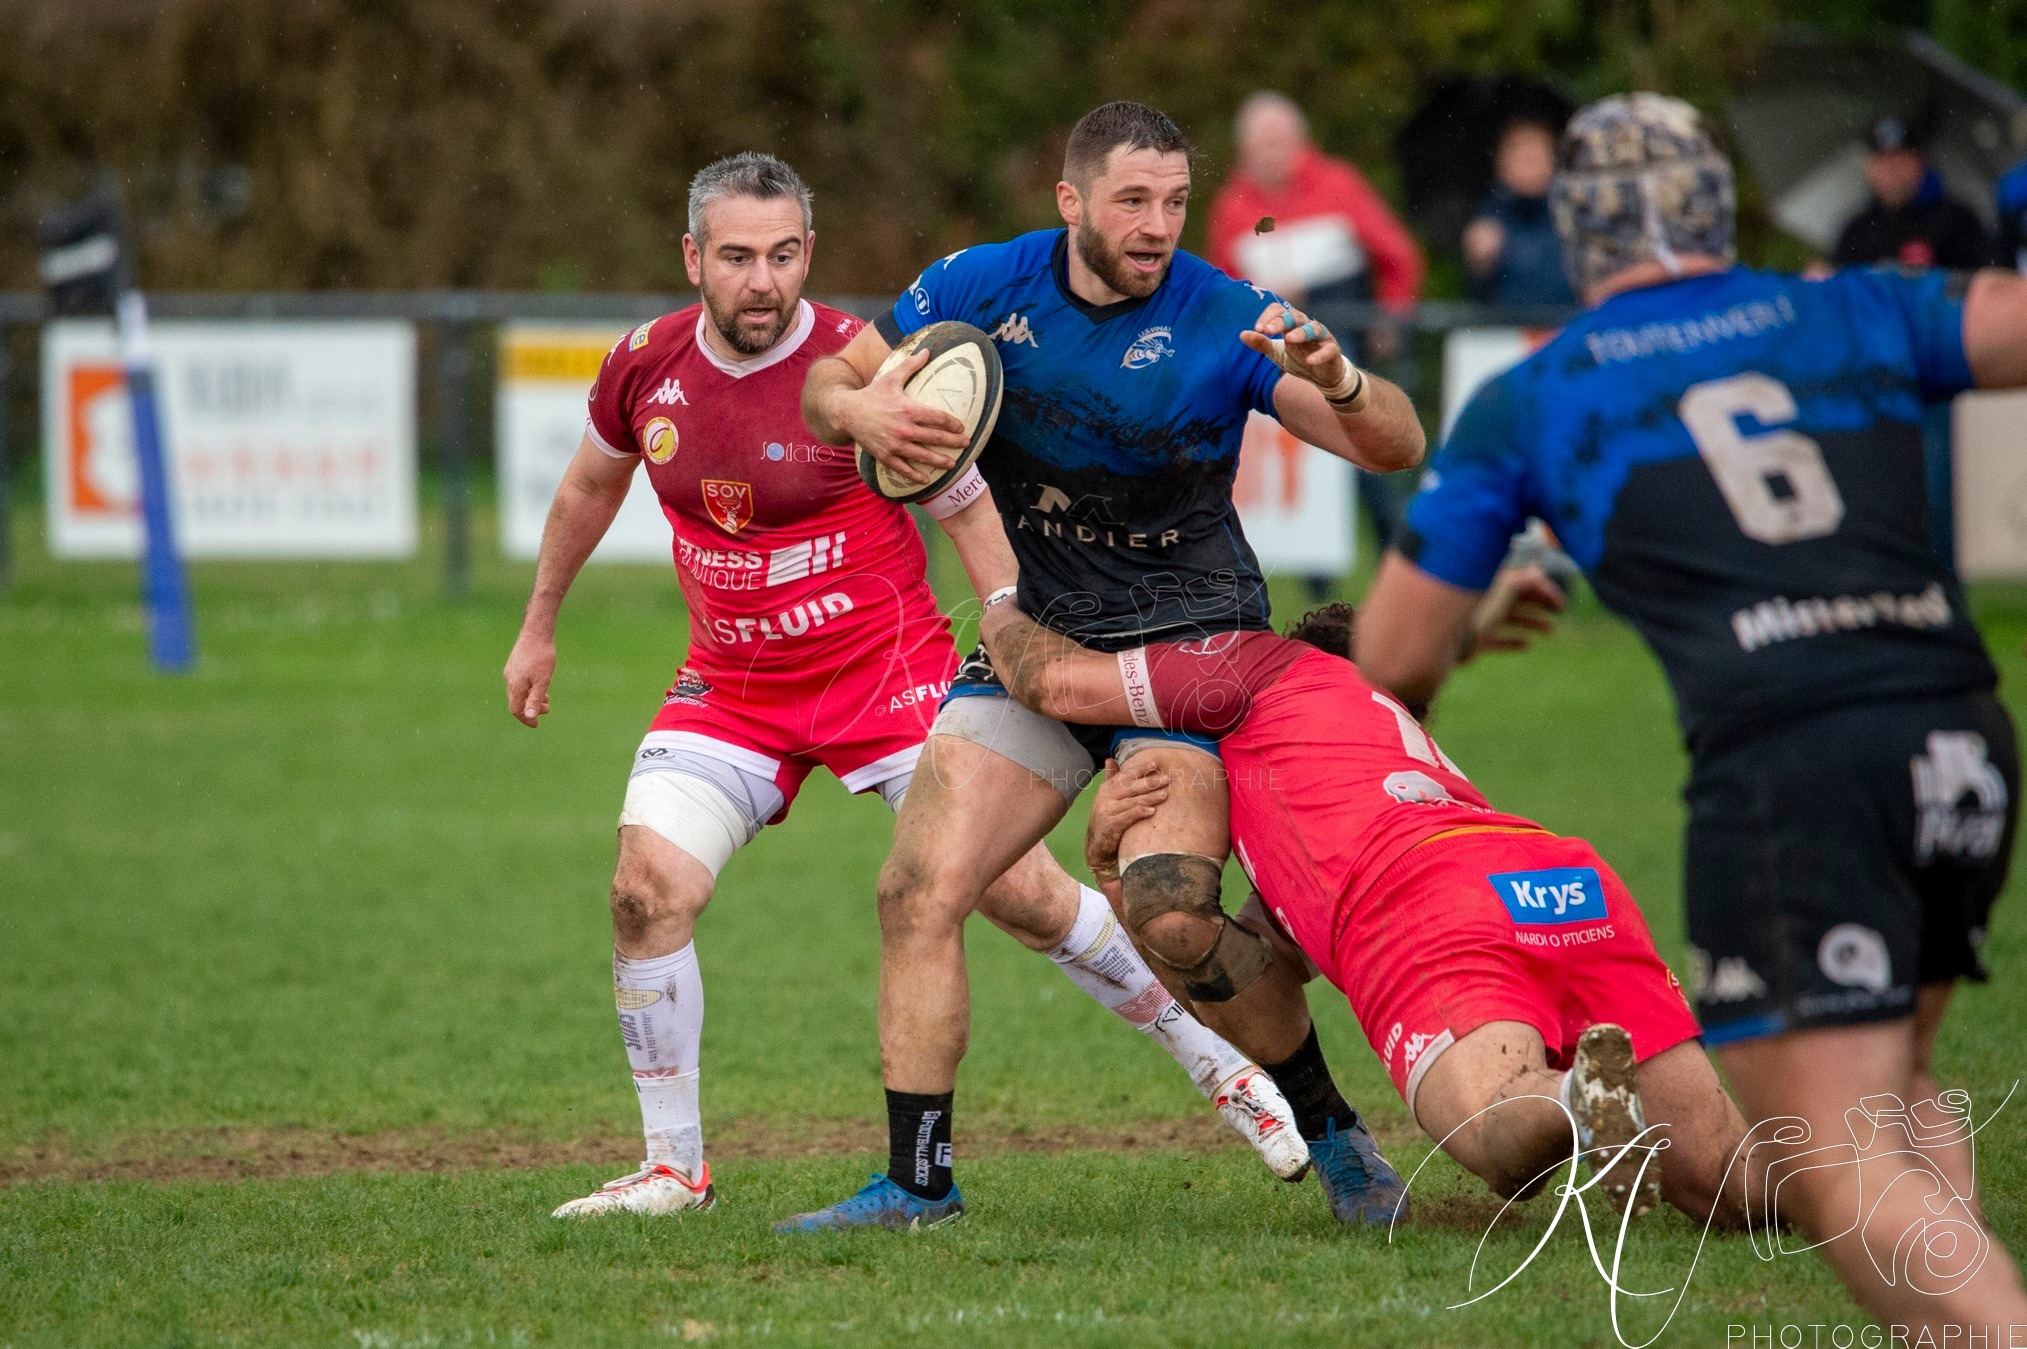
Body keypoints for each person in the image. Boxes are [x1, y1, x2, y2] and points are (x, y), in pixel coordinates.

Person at [501, 151, 1307, 1220]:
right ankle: (672, 1169)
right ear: (692, 258)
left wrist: (1027, 652)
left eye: (782, 255)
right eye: (736, 257)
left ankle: (1223, 1065)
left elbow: (972, 515)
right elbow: (588, 485)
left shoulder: (872, 371)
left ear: (808, 254)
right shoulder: (644, 364)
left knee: (1018, 895)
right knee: (642, 892)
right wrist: (537, 627)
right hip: (730, 686)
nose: (760, 281)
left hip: (886, 677)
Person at [1355, 93, 2027, 1331]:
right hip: (1961, 734)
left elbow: (1388, 658)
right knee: (1897, 1085)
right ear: (1718, 205)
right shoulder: (1851, 303)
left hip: (1790, 766)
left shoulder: (1536, 393)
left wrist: (1467, 624)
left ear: (1577, 229)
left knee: (1833, 1156)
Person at [787, 101, 1428, 1231]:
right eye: (1133, 200)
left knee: (1172, 915)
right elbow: (828, 383)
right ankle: (918, 1182)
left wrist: (1339, 381)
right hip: (1035, 639)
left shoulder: (1224, 314)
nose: (1157, 225)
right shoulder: (980, 284)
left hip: (1184, 647)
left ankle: (1330, 1127)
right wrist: (861, 411)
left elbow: (1394, 445)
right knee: (916, 888)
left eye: (1175, 201)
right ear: (1070, 200)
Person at [975, 593, 1751, 1222]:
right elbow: (1262, 968)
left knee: (1496, 1135)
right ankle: (1819, 1177)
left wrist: (1000, 603)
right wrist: (1114, 878)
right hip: (1556, 874)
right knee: (1725, 1180)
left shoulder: (1263, 671)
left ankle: (1580, 1096)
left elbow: (1054, 683)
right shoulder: (1379, 751)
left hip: (1421, 895)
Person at [1206, 90, 1427, 557]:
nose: (1274, 154)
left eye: (1281, 142)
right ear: (1245, 151)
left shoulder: (1339, 184)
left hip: (1345, 343)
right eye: (1263, 145)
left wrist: (1390, 318)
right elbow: (1220, 291)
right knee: (1300, 458)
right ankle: (1314, 575)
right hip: (1272, 356)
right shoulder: (1231, 206)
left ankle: (1397, 553)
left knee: (1363, 451)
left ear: (1301, 142)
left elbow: (1398, 256)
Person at [1832, 117, 1992, 271]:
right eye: (1883, 160)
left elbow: (1981, 279)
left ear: (1919, 162)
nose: (1891, 169)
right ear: (1869, 167)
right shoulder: (1856, 231)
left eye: (1900, 159)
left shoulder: (1959, 222)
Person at [1463, 119, 1577, 308]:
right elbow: (1477, 297)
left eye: (1536, 159)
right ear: (1503, 164)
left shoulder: (1572, 214)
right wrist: (1478, 265)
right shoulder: (1488, 216)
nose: (1531, 170)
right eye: (1523, 160)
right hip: (1506, 323)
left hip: (1562, 319)